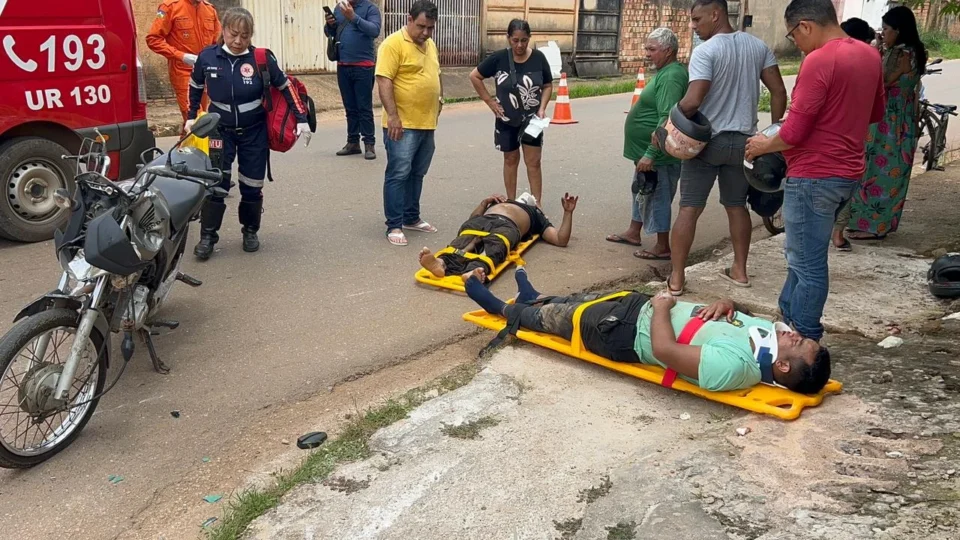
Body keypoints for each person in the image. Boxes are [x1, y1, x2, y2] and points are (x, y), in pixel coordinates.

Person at [745, 0, 885, 342]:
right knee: (802, 255)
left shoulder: (819, 60)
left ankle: (805, 340)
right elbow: (875, 113)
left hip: (814, 176)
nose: (796, 44)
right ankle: (787, 322)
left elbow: (793, 133)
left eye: (793, 36)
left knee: (807, 264)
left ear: (805, 25)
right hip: (848, 173)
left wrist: (761, 146)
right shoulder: (869, 55)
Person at [463, 270, 831, 394]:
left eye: (799, 343)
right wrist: (727, 302)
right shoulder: (767, 335)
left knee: (559, 319)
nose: (794, 334)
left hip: (621, 331)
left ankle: (503, 308)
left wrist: (663, 307)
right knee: (573, 301)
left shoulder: (734, 367)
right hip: (638, 307)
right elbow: (738, 315)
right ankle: (533, 297)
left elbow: (664, 350)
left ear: (782, 367)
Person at [666, 0, 787, 295]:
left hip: (707, 143)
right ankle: (740, 271)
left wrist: (668, 123)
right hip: (744, 143)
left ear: (716, 14)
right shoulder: (758, 47)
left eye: (697, 19)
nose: (693, 26)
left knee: (689, 208)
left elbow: (693, 101)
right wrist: (772, 135)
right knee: (736, 207)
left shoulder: (705, 51)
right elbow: (779, 91)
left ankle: (677, 278)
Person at [187, 7, 310, 259]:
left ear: (251, 35)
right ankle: (208, 236)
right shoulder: (207, 57)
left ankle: (250, 230)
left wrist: (302, 118)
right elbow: (195, 86)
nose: (238, 41)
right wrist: (190, 116)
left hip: (254, 131)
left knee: (252, 185)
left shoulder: (261, 59)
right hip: (219, 130)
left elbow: (285, 86)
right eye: (233, 34)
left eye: (244, 36)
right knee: (216, 183)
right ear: (223, 30)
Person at [845, 6, 928, 241]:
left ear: (898, 30)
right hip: (901, 120)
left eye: (887, 29)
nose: (883, 34)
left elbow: (880, 81)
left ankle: (872, 226)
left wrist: (877, 51)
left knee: (877, 171)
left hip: (887, 123)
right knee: (890, 172)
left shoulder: (900, 55)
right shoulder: (914, 52)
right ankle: (872, 223)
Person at [607, 27, 687, 260]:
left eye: (652, 49)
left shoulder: (671, 76)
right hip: (647, 151)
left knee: (658, 194)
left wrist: (651, 152)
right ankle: (634, 231)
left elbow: (667, 117)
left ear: (668, 50)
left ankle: (662, 245)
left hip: (659, 154)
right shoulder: (666, 72)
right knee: (642, 188)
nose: (647, 53)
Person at [376, 0, 443, 247]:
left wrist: (440, 100)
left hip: (426, 122)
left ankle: (411, 217)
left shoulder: (430, 45)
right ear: (409, 19)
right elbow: (384, 80)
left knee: (417, 173)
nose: (425, 32)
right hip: (402, 124)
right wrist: (393, 116)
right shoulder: (392, 44)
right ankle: (394, 224)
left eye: (430, 28)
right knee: (399, 173)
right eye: (421, 26)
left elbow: (436, 75)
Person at [469, 19, 554, 203]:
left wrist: (542, 108)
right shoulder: (499, 58)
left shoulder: (538, 58)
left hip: (532, 120)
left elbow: (548, 85)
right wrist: (490, 102)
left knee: (533, 162)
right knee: (510, 159)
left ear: (529, 38)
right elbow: (475, 76)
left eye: (524, 40)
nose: (520, 45)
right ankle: (511, 202)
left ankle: (536, 205)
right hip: (506, 119)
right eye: (515, 40)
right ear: (508, 38)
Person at [418, 192, 578, 282]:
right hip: (483, 220)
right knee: (467, 237)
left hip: (508, 226)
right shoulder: (499, 201)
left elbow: (560, 239)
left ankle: (472, 271)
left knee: (495, 245)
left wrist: (568, 213)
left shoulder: (537, 215)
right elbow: (472, 218)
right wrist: (484, 203)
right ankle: (441, 262)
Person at [831, 17, 880, 251]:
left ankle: (829, 232)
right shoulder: (871, 62)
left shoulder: (829, 59)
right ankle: (837, 234)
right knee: (845, 185)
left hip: (829, 137)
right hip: (854, 137)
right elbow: (876, 111)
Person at [147, 0, 222, 126]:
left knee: (196, 119)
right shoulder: (170, 7)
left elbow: (218, 42)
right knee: (196, 118)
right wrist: (181, 56)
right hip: (183, 72)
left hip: (205, 73)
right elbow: (153, 39)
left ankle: (185, 139)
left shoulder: (210, 10)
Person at [324, 0, 382, 160]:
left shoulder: (371, 9)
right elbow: (330, 33)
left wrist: (353, 17)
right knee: (350, 107)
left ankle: (369, 144)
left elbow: (374, 30)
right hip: (343, 65)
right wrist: (329, 24)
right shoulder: (339, 8)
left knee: (364, 107)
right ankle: (353, 142)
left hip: (363, 66)